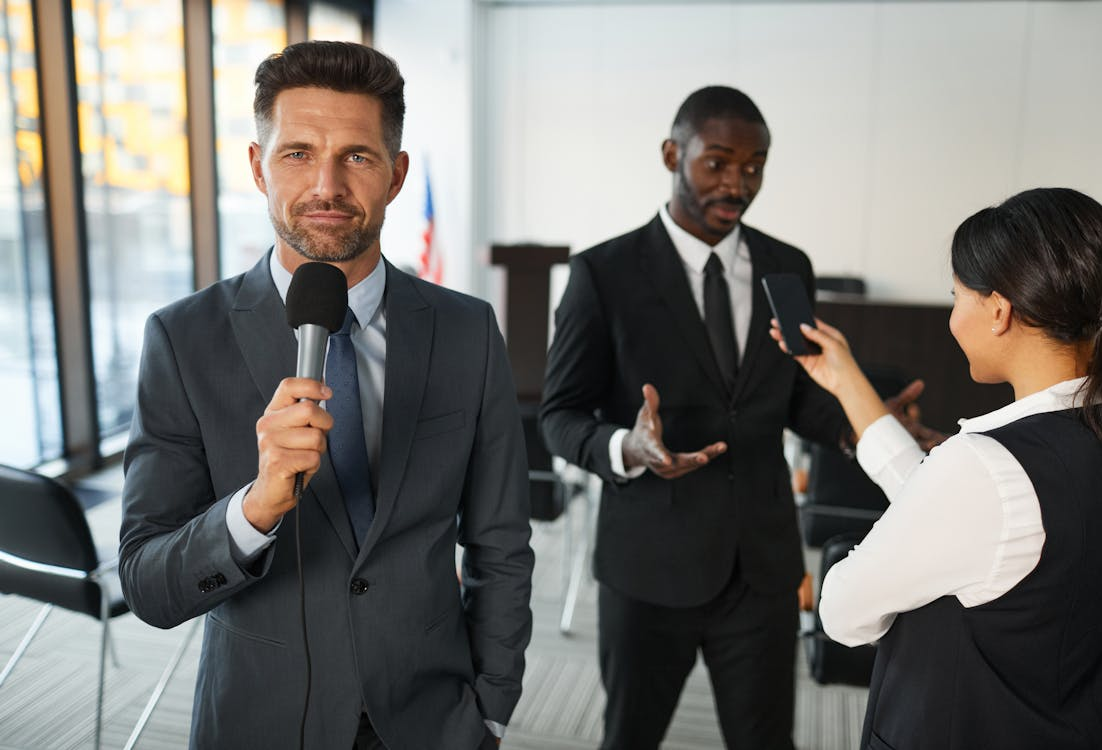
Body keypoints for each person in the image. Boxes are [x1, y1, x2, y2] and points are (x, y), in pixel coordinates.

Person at [118, 42, 533, 750]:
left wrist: (491, 706)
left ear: (396, 174)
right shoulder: (183, 340)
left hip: (433, 719)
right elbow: (148, 586)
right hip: (259, 721)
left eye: (358, 157)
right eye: (298, 153)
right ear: (257, 166)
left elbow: (499, 544)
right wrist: (256, 508)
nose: (327, 187)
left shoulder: (466, 329)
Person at [538, 86, 929, 750]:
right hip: (648, 568)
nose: (737, 183)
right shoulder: (602, 274)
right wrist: (625, 448)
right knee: (627, 738)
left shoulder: (787, 267)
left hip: (762, 567)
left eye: (754, 166)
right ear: (671, 154)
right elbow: (559, 415)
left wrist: (859, 424)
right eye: (716, 162)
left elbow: (796, 396)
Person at [773, 187, 1102, 750]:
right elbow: (969, 524)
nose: (952, 316)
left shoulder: (983, 468)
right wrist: (844, 378)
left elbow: (842, 612)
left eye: (956, 295)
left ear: (999, 309)